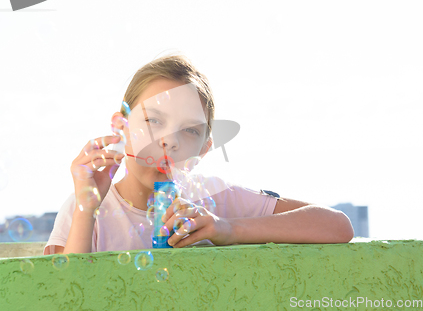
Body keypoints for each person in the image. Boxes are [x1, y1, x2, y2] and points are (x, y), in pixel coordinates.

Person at [44, 54, 354, 255]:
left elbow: (337, 226)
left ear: (204, 149)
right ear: (122, 126)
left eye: (190, 130)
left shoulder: (215, 199)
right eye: (153, 121)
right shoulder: (84, 205)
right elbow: (66, 294)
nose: (169, 141)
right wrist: (87, 210)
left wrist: (227, 228)